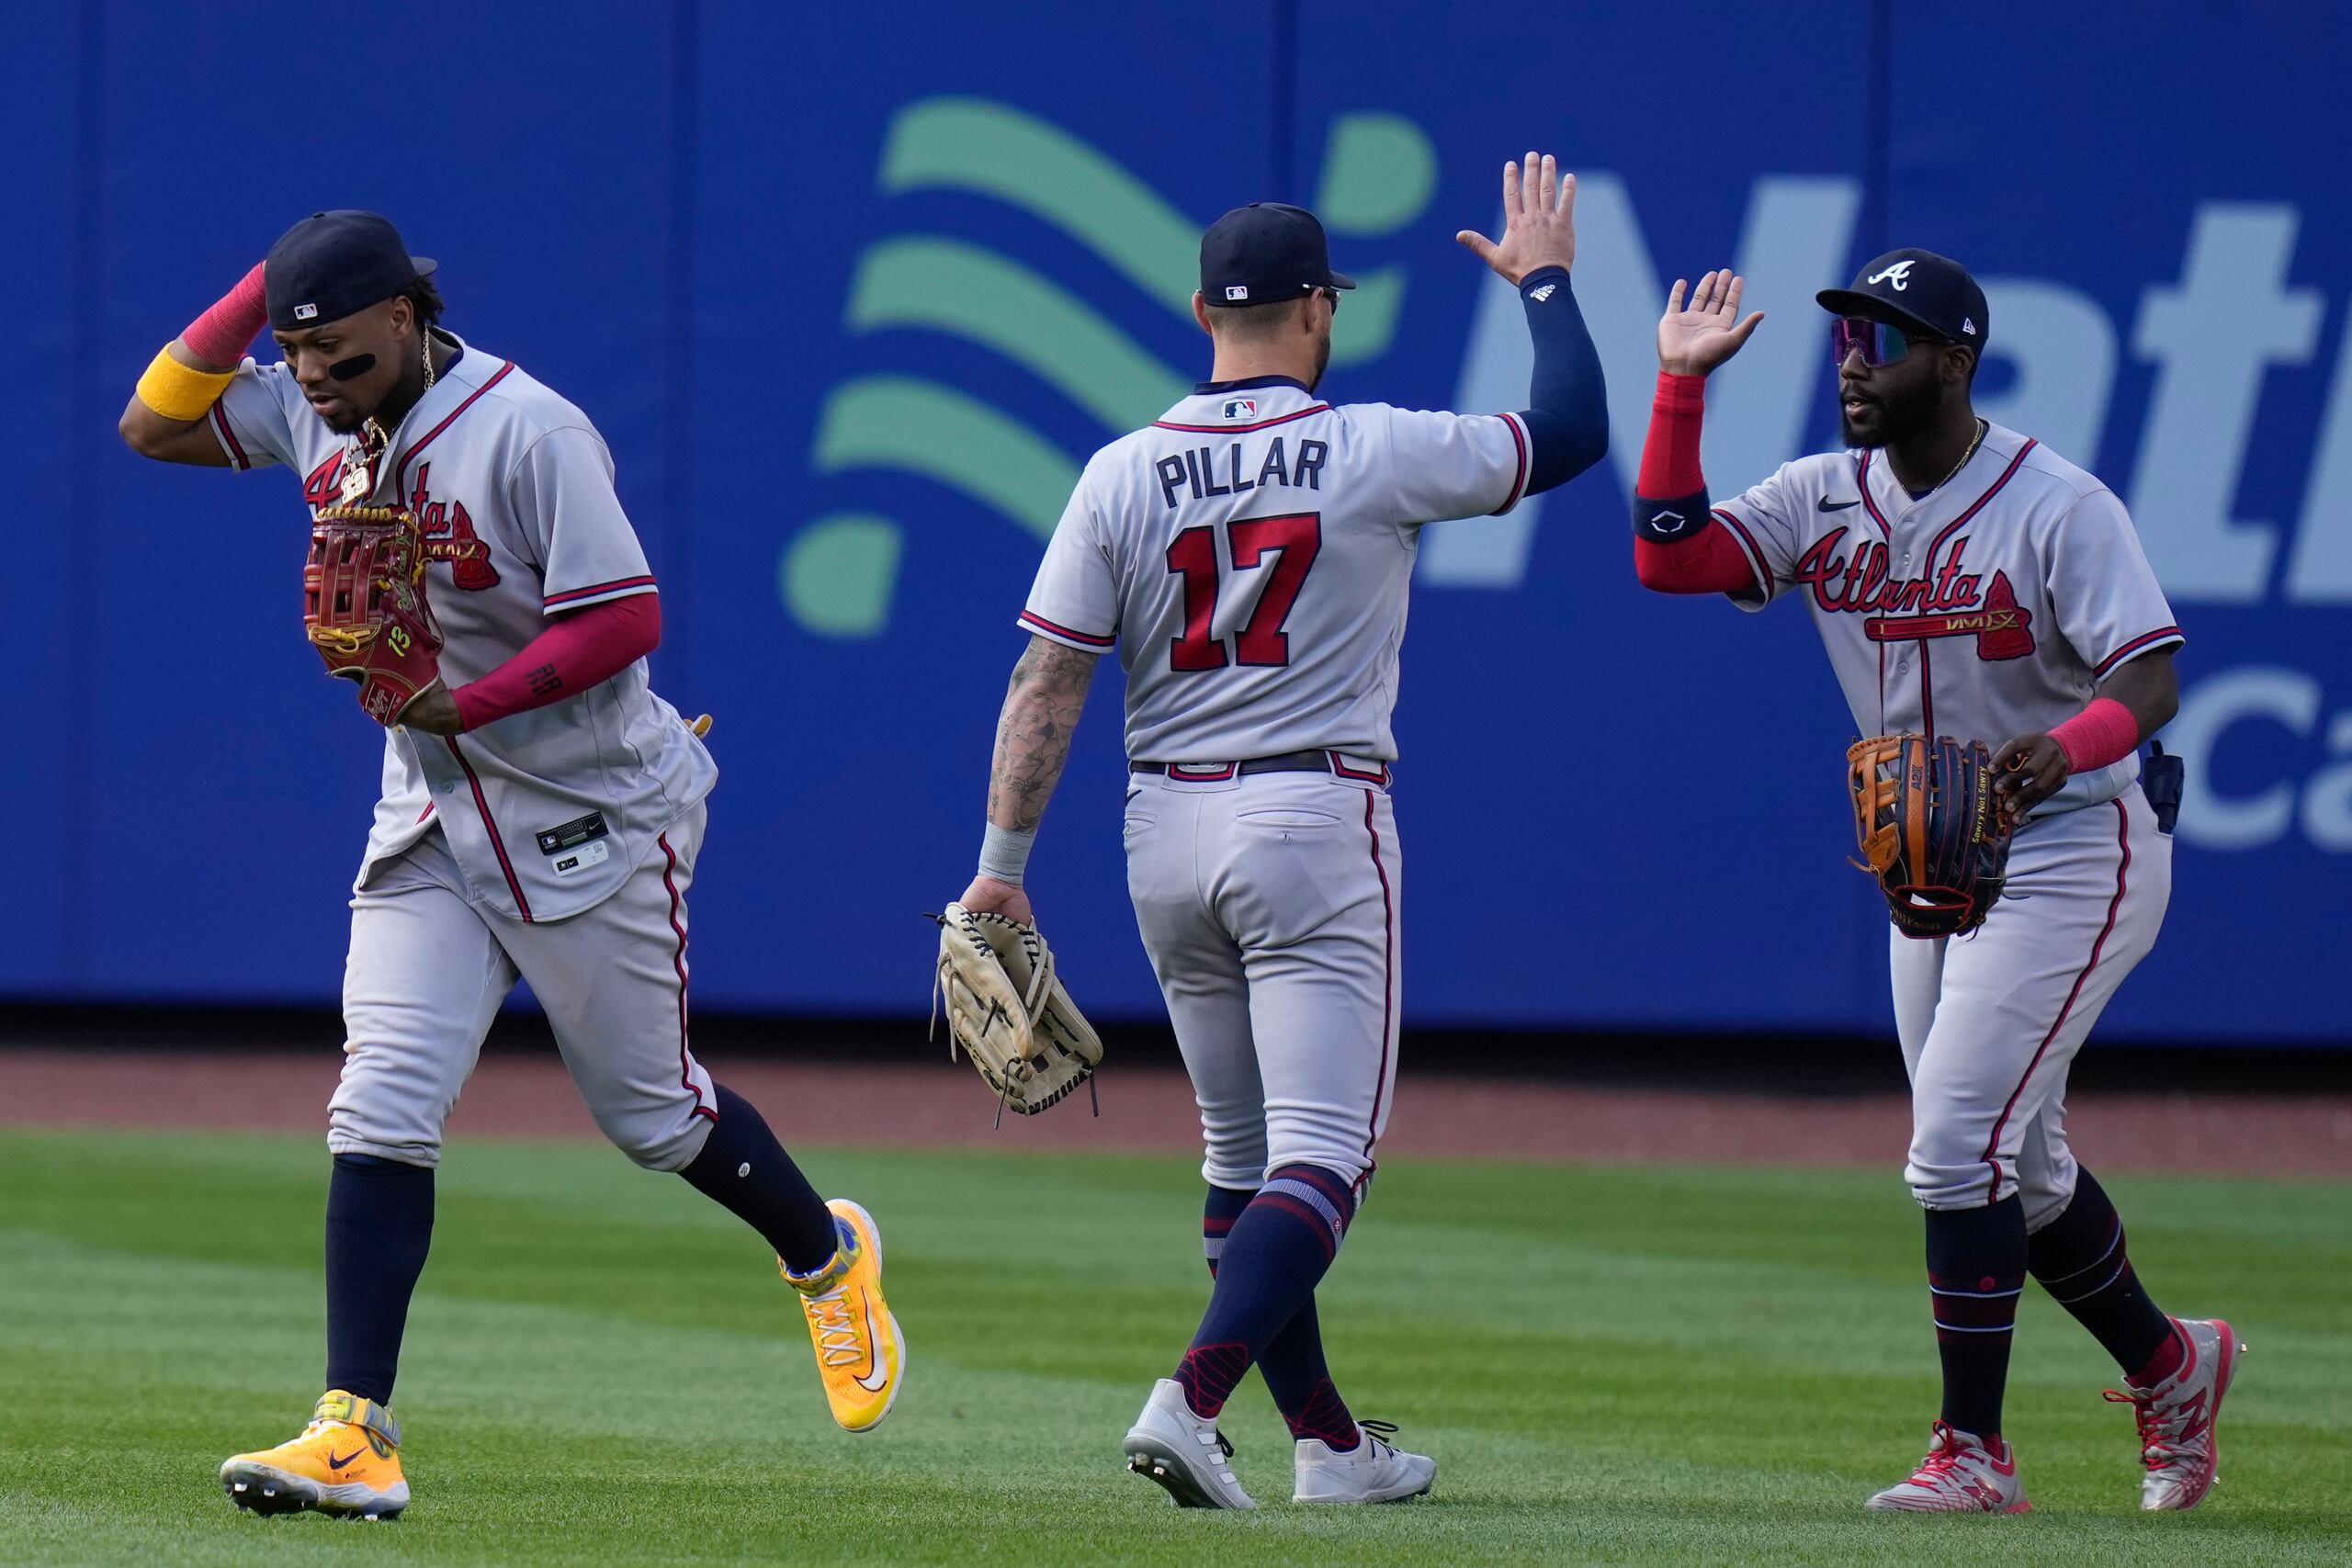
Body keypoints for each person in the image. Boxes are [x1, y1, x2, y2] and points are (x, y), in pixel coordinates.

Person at [119, 211, 905, 1520]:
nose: (312, 379)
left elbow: (626, 617)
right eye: (296, 352)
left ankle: (827, 1257)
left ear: (406, 317)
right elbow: (153, 422)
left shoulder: (528, 427)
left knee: (652, 1116)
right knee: (381, 1098)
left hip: (589, 805)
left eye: (338, 350)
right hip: (431, 816)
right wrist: (274, 282)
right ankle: (354, 1430)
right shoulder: (315, 407)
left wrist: (465, 709)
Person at [950, 157, 1608, 1508]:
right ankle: (1189, 1402)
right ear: (1317, 313)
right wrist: (1544, 280)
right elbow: (1573, 427)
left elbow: (1046, 682)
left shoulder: (1120, 472)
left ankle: (1330, 1447)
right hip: (1312, 813)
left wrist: (1002, 872)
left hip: (1164, 828)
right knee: (1325, 1156)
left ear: (1203, 312)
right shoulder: (1374, 444)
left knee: (1238, 1160)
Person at [1626, 250, 2237, 1513]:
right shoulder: (1820, 495)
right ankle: (2175, 1368)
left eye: (1885, 342)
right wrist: (1680, 390)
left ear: (1954, 364)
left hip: (2078, 842)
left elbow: (2151, 679)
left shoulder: (2057, 504)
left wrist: (2057, 752)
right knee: (2026, 1164)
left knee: (1955, 1141)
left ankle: (1973, 1456)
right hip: (1939, 864)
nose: (1855, 362)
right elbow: (1670, 560)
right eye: (1846, 337)